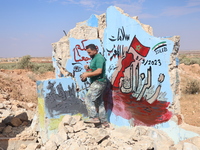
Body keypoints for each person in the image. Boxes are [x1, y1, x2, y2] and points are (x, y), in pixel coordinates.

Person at [80, 44, 109, 127]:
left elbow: (99, 71)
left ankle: (94, 117)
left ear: (94, 50)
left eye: (89, 52)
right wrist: (87, 70)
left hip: (99, 82)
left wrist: (87, 75)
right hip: (97, 81)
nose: (88, 54)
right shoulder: (94, 58)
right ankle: (104, 122)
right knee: (99, 102)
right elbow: (94, 70)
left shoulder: (99, 58)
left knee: (88, 98)